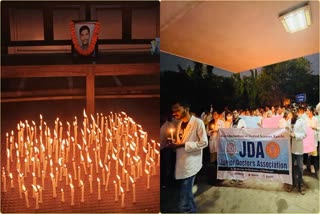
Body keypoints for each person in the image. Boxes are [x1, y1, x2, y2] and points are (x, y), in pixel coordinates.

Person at [167, 100, 208, 213]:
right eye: (173, 111)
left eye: (177, 110)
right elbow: (180, 143)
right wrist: (174, 145)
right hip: (181, 163)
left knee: (183, 202)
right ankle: (193, 211)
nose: (174, 113)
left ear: (186, 108)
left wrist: (183, 144)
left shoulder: (198, 123)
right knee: (188, 195)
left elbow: (204, 143)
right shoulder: (179, 124)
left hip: (191, 164)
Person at [288, 105, 307, 195]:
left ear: (297, 111)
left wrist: (295, 135)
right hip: (290, 147)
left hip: (298, 148)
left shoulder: (301, 121)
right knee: (291, 167)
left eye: (295, 110)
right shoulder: (289, 120)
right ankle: (292, 184)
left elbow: (304, 134)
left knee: (299, 167)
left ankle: (301, 185)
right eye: (292, 110)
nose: (293, 112)